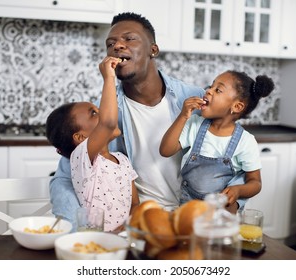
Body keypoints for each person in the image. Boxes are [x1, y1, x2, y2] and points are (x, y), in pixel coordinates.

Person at [49, 12, 204, 229]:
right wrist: (75, 237)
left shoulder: (195, 101)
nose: (118, 46)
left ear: (153, 49)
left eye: (129, 38)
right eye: (110, 43)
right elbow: (64, 179)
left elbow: (231, 152)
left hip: (192, 218)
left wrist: (233, 204)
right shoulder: (102, 116)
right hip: (136, 227)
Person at [46, 56, 140, 232]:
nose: (103, 113)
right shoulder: (83, 160)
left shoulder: (122, 160)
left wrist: (123, 229)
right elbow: (108, 123)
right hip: (93, 244)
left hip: (124, 240)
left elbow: (135, 204)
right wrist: (109, 78)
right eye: (94, 113)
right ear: (80, 138)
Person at [160, 70, 275, 213]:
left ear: (236, 107)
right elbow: (165, 150)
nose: (208, 91)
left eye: (218, 90)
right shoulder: (195, 124)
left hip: (221, 215)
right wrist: (183, 116)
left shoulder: (246, 141)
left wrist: (238, 190)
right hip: (188, 209)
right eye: (210, 86)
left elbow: (255, 183)